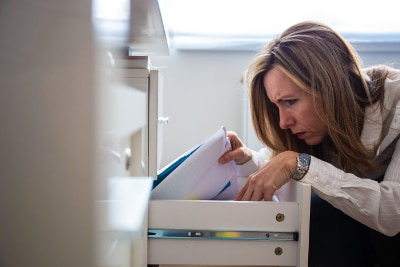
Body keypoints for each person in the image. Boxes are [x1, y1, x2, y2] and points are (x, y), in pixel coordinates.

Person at [218, 21, 400, 267]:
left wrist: (303, 165)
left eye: (291, 101)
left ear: (331, 86)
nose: (283, 122)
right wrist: (247, 158)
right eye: (277, 106)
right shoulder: (317, 128)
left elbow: (393, 213)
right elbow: (277, 162)